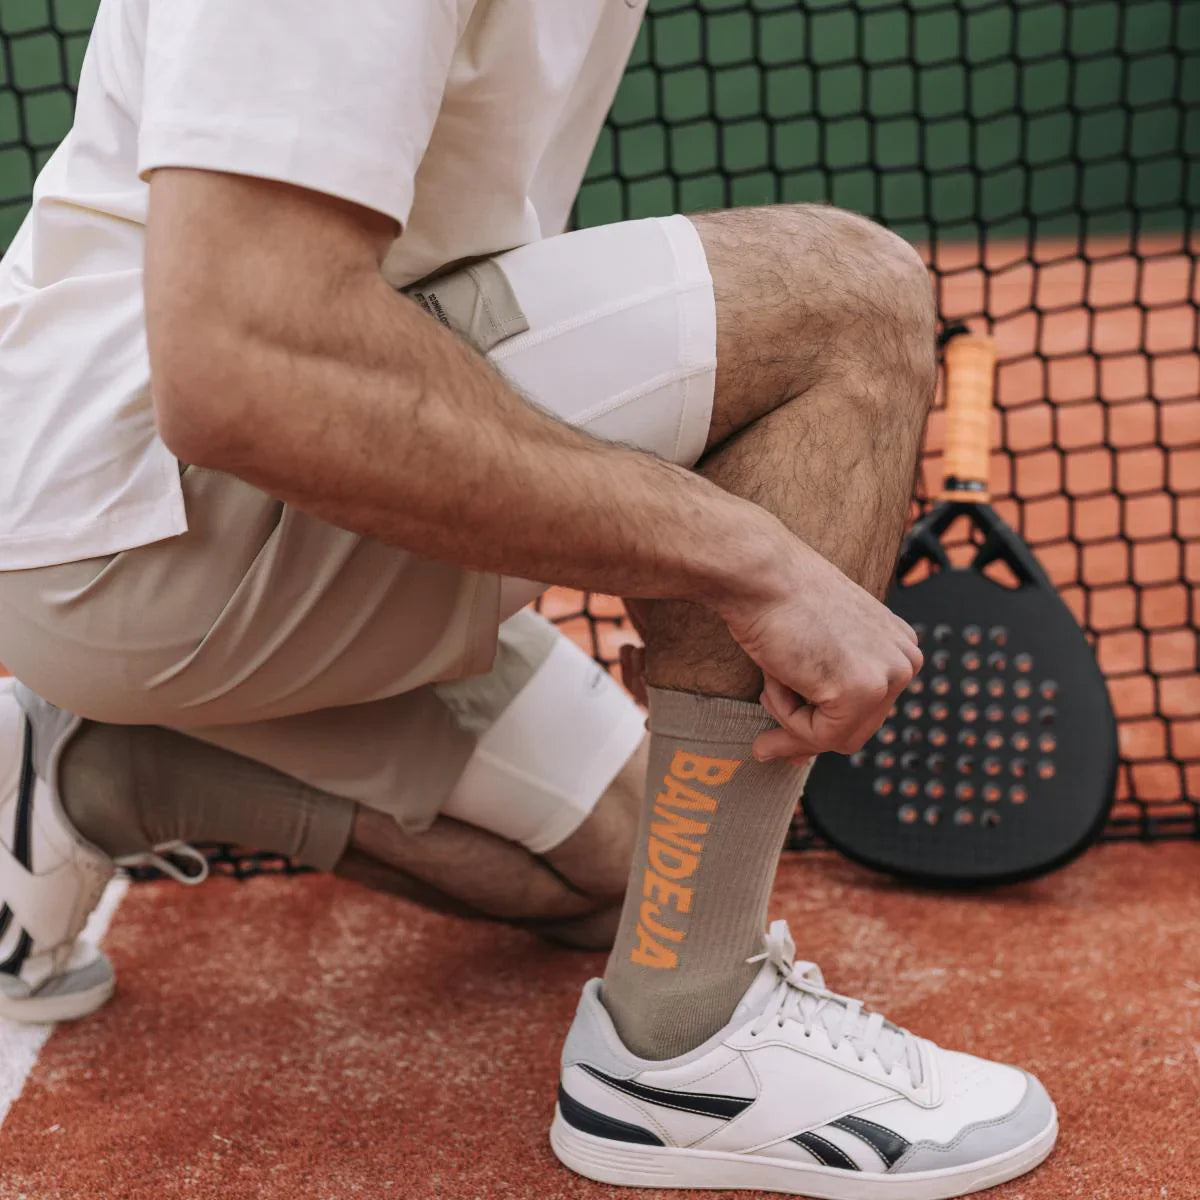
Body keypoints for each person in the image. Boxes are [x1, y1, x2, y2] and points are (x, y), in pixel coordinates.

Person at [0, 1, 1056, 1193]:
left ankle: (93, 769)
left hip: (140, 540)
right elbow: (241, 360)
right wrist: (741, 554)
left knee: (632, 865)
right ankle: (684, 1049)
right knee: (847, 305)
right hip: (156, 513)